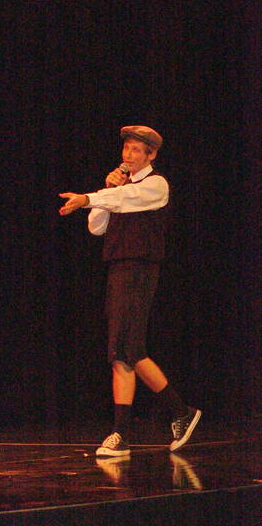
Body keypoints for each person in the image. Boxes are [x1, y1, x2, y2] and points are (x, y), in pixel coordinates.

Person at [59, 125, 201, 457]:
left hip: (140, 268)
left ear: (151, 155)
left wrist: (89, 198)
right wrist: (105, 191)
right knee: (119, 351)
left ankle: (180, 412)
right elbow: (97, 227)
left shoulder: (156, 185)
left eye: (137, 150)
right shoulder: (119, 189)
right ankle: (124, 432)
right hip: (118, 267)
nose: (129, 155)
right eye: (126, 149)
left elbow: (127, 200)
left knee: (130, 348)